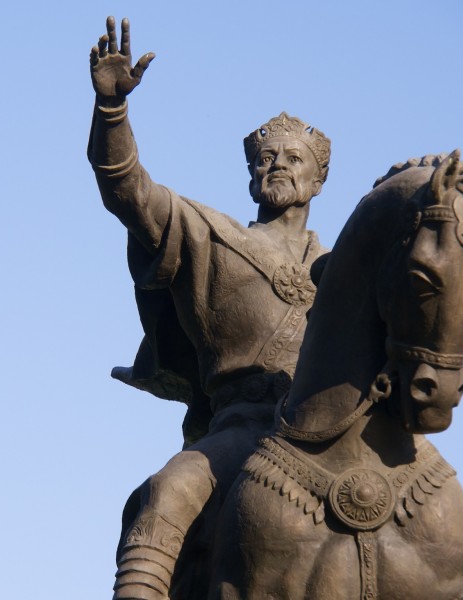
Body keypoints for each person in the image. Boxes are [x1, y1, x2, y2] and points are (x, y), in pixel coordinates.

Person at [88, 17, 332, 599]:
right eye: (265, 158)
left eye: (293, 158)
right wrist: (112, 112)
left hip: (333, 437)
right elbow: (127, 190)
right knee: (170, 490)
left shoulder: (342, 270)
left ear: (319, 178)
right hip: (242, 428)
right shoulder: (209, 235)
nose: (277, 165)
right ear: (250, 176)